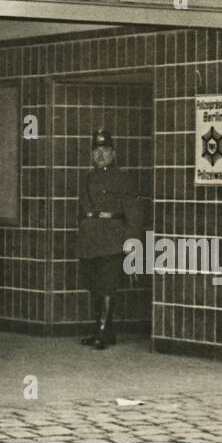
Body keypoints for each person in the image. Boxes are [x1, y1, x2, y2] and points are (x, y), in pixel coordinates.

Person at [77, 129, 142, 349]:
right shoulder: (87, 177)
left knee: (107, 287)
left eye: (105, 150)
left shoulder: (122, 178)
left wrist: (131, 241)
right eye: (96, 150)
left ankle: (102, 332)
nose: (100, 154)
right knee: (94, 286)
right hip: (89, 240)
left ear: (113, 154)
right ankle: (104, 330)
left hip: (112, 240)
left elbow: (133, 213)